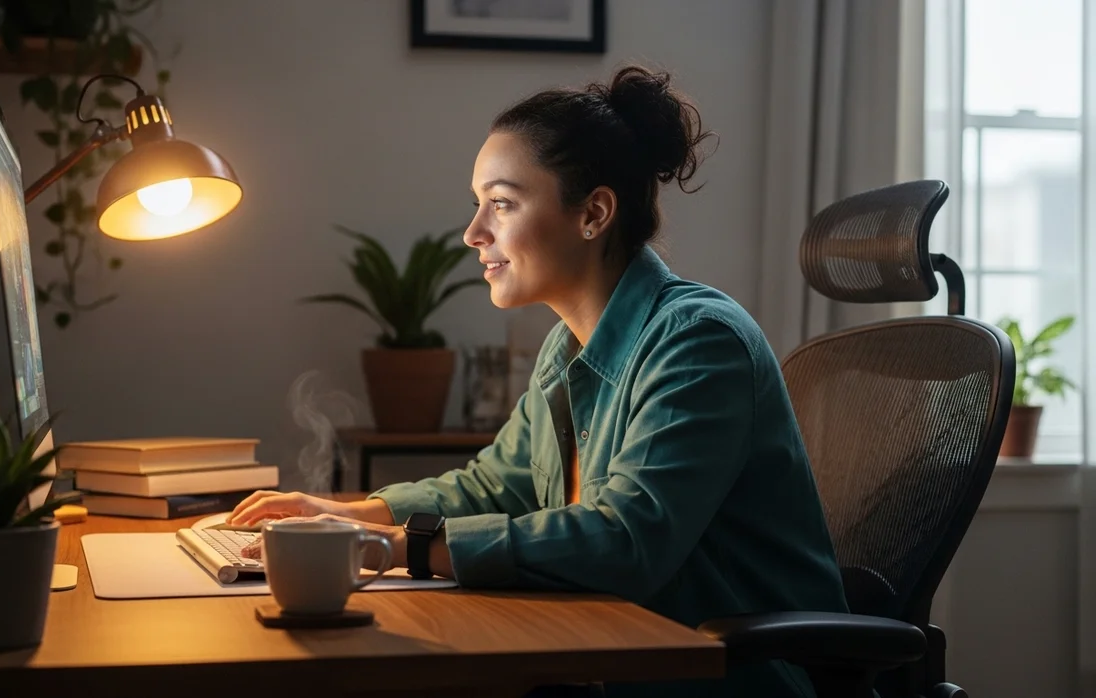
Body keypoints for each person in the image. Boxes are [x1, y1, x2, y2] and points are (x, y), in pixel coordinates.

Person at [231, 64, 849, 697]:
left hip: (729, 679)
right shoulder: (567, 347)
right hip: (614, 656)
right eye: (478, 205)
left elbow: (625, 540)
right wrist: (347, 513)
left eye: (501, 203)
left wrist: (391, 547)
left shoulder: (697, 342)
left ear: (593, 213)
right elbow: (497, 485)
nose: (474, 233)